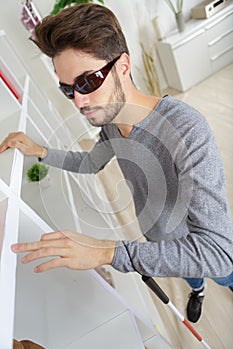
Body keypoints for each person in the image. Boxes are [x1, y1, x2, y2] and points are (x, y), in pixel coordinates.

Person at [0, 3, 232, 324]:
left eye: (87, 81)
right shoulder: (110, 125)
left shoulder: (185, 129)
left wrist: (108, 252)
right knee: (190, 277)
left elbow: (219, 254)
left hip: (196, 247)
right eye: (68, 89)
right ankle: (198, 290)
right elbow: (91, 163)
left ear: (122, 66)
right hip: (157, 240)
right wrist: (40, 150)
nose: (79, 101)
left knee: (224, 276)